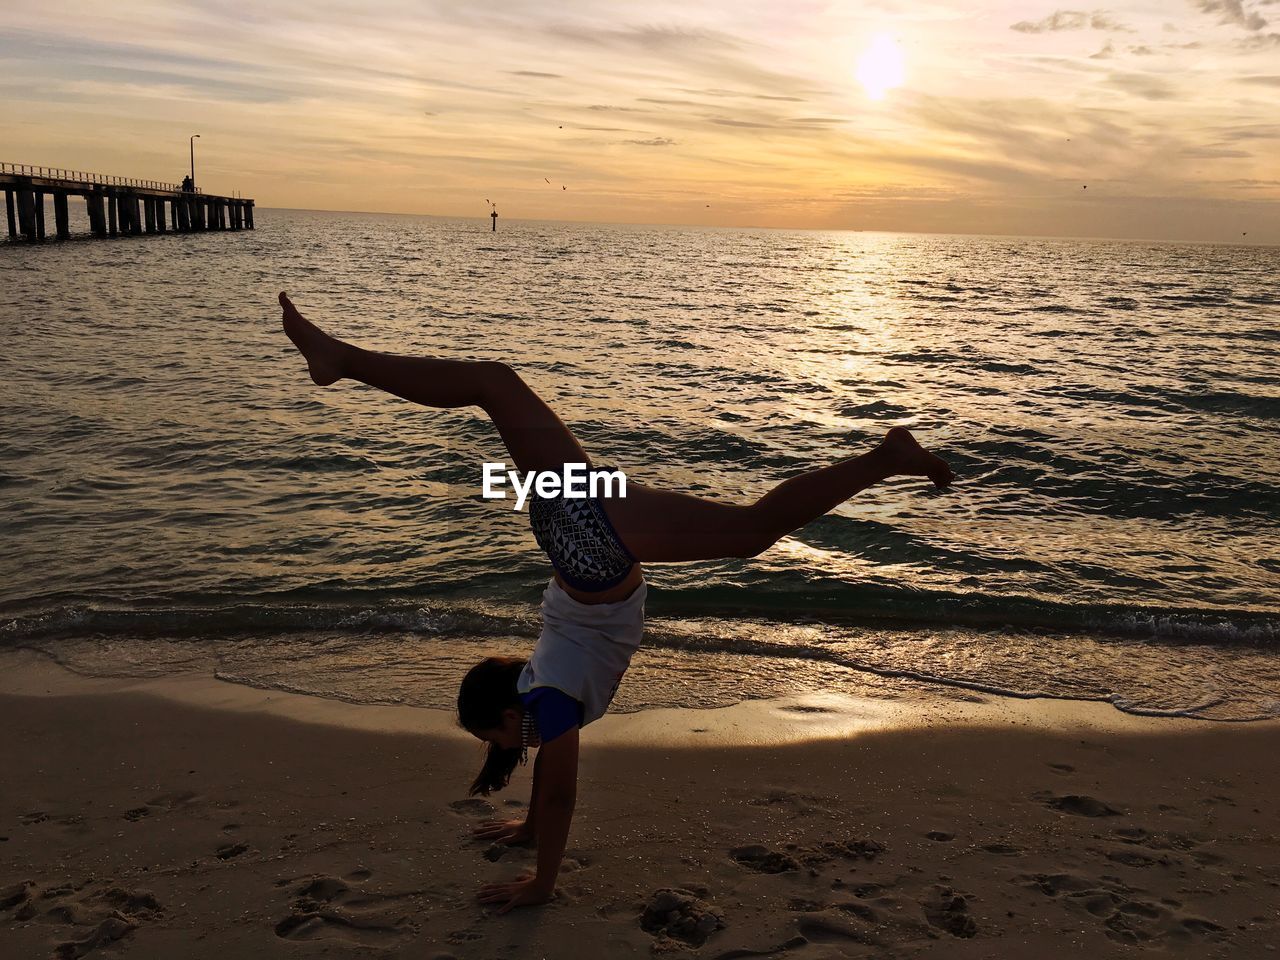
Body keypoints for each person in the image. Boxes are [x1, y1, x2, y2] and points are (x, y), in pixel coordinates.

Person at [277, 291, 954, 913]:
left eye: (497, 738)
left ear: (512, 709)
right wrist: (528, 829)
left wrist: (543, 881)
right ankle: (341, 361)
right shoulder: (543, 691)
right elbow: (548, 774)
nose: (509, 750)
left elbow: (562, 786)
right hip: (573, 536)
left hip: (591, 547)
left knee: (750, 532)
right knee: (494, 381)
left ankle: (884, 460)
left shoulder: (550, 700)